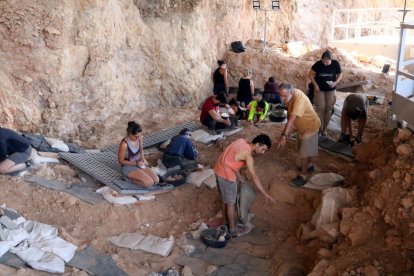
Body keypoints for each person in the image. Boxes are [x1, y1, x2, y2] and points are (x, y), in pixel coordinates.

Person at [214, 134, 275, 237]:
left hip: (218, 170)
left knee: (225, 200)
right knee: (231, 203)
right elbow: (254, 177)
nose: (263, 152)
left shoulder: (241, 141)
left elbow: (231, 159)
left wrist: (239, 176)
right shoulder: (248, 156)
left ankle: (225, 222)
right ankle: (232, 229)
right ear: (257, 144)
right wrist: (265, 194)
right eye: (263, 149)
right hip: (226, 176)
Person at [277, 83, 321, 187]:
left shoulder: (299, 99)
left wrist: (284, 134)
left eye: (284, 96)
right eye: (280, 96)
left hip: (310, 127)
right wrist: (288, 132)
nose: (282, 98)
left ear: (291, 92)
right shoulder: (289, 97)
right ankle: (309, 166)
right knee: (305, 148)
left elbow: (291, 120)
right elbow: (289, 113)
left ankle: (303, 176)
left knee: (304, 153)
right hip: (302, 128)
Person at [308, 50, 342, 136]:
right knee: (320, 108)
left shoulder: (335, 64)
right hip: (320, 89)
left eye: (327, 62)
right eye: (323, 61)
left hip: (330, 89)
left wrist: (336, 82)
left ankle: (324, 129)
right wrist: (315, 85)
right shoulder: (318, 64)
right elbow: (310, 74)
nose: (325, 63)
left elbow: (340, 74)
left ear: (331, 60)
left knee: (328, 109)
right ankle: (319, 128)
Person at [118, 121, 159, 188]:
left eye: (140, 135)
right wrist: (137, 163)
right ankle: (127, 178)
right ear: (130, 134)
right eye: (137, 136)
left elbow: (141, 150)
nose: (139, 138)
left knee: (156, 180)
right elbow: (120, 161)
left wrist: (143, 159)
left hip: (139, 164)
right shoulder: (124, 144)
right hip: (128, 166)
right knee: (149, 183)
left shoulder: (139, 138)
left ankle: (139, 174)